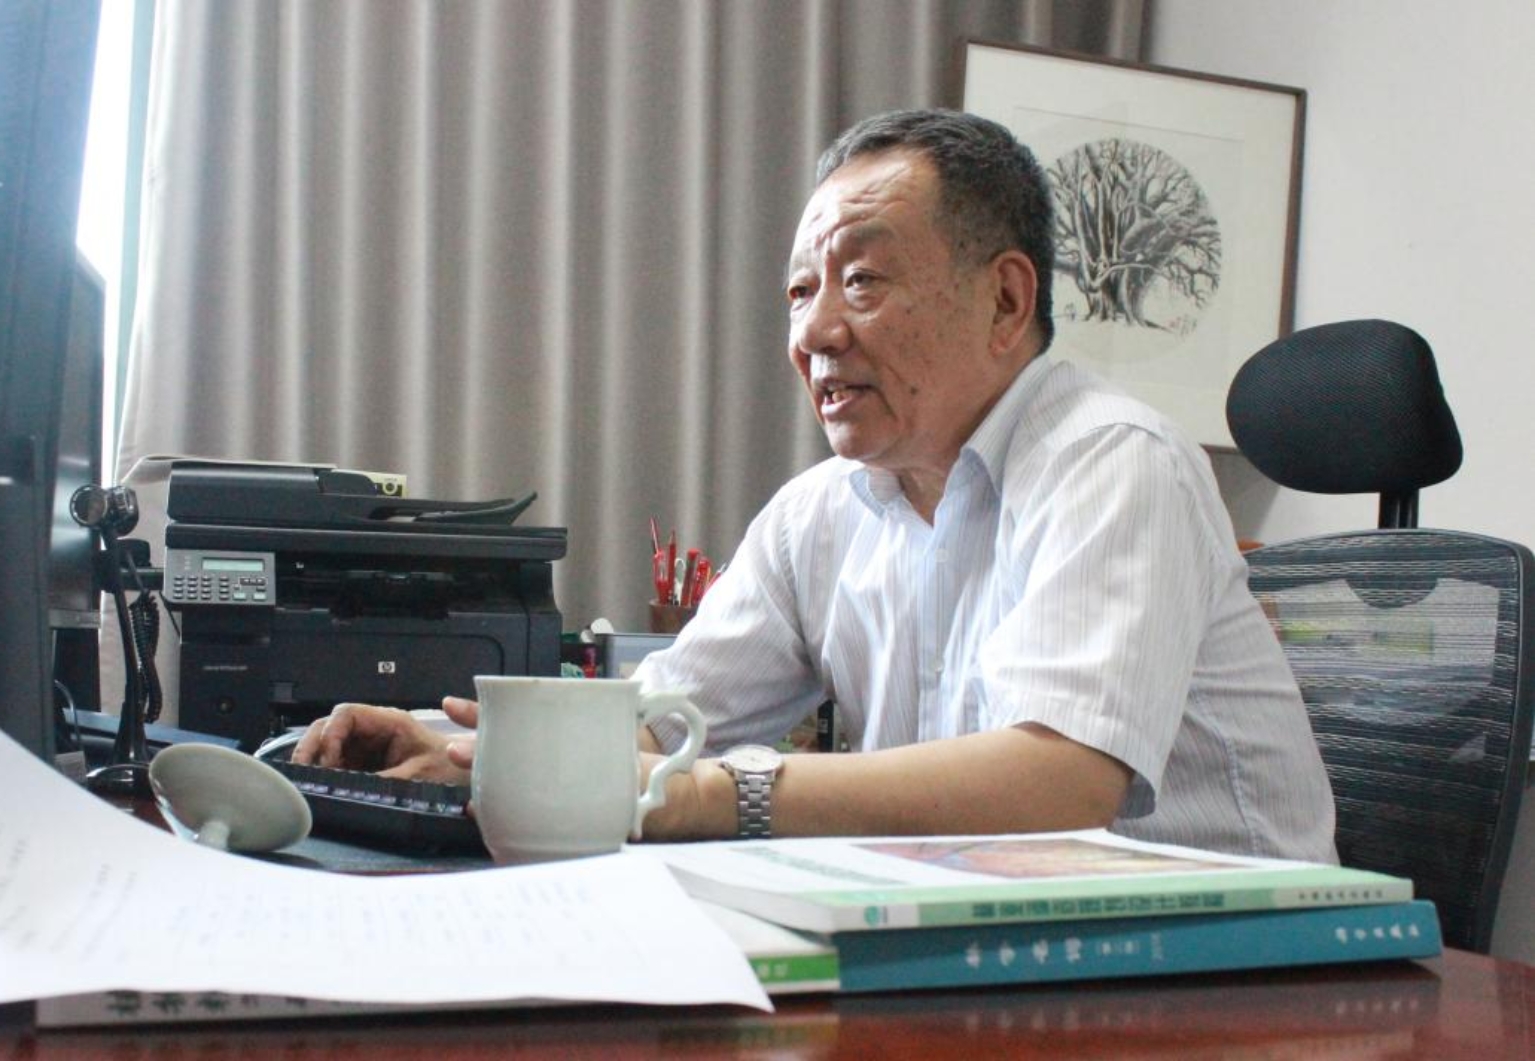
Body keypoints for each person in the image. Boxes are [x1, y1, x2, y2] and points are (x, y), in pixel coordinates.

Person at [295, 108, 1336, 862]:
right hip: (984, 939)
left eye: (862, 279)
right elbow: (665, 721)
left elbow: (1055, 784)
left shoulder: (1114, 461)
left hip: (1247, 977)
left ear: (1005, 300)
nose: (814, 332)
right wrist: (476, 751)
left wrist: (705, 796)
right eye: (800, 290)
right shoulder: (820, 511)